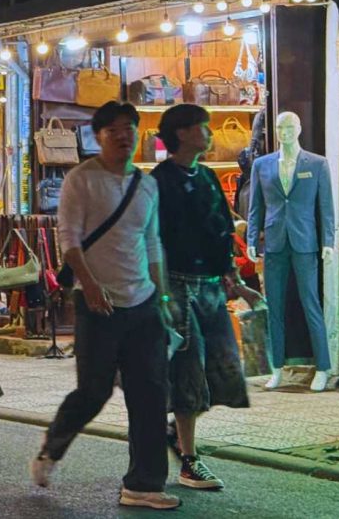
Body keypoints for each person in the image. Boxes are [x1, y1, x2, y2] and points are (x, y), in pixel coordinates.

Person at [30, 101, 178, 511]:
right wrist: (90, 287)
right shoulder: (82, 179)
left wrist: (162, 297)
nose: (123, 136)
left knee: (150, 393)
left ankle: (143, 484)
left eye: (129, 128)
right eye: (113, 129)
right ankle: (52, 448)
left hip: (143, 302)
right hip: (98, 304)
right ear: (98, 136)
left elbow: (152, 243)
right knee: (93, 391)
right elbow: (70, 240)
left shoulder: (146, 184)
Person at [152, 104, 250, 491]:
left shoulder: (208, 176)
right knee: (189, 367)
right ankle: (190, 460)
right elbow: (152, 238)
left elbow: (222, 229)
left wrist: (231, 276)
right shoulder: (158, 181)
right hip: (175, 285)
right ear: (182, 133)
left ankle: (178, 429)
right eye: (202, 128)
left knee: (224, 368)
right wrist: (158, 293)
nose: (209, 134)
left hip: (209, 284)